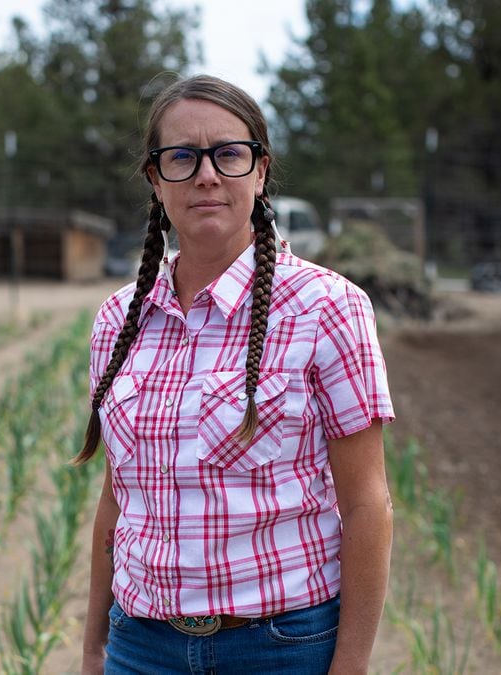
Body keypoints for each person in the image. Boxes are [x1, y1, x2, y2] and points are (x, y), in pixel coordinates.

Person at [77, 75, 394, 674]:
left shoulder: (326, 306)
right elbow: (118, 497)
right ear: (155, 177)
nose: (206, 175)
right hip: (140, 647)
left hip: (280, 647)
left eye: (228, 153)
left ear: (260, 170)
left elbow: (367, 504)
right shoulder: (119, 317)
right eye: (181, 157)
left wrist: (349, 666)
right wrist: (95, 648)